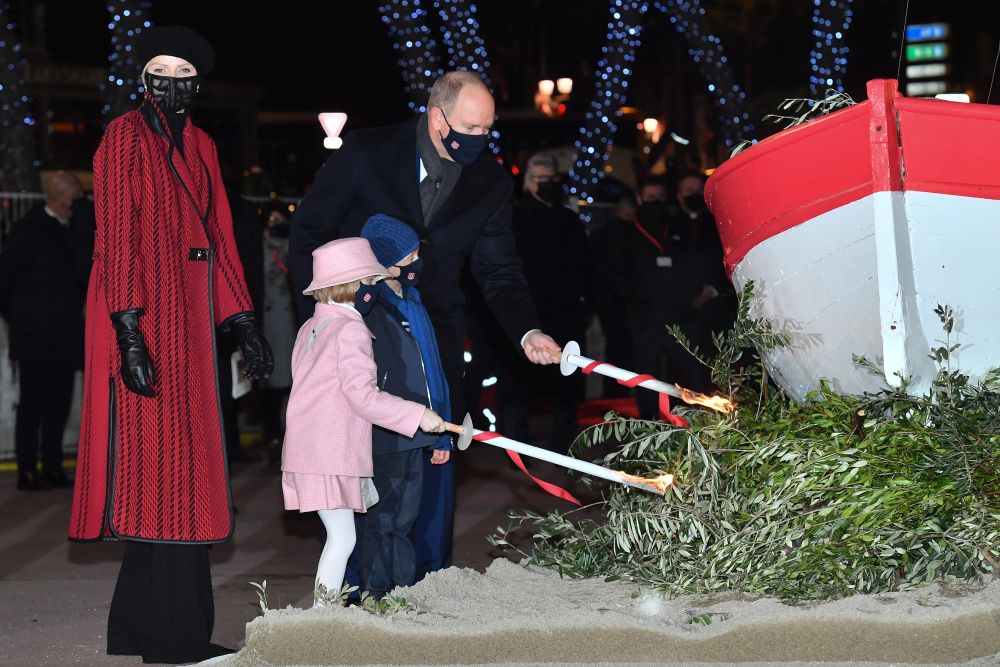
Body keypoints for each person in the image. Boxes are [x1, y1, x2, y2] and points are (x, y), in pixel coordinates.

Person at [290, 70, 560, 576]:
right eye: (471, 128)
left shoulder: (491, 182)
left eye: (488, 130)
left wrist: (528, 331)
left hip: (434, 335)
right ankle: (362, 593)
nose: (480, 139)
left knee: (436, 450)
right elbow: (308, 232)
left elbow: (498, 270)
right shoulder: (367, 153)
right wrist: (323, 319)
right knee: (372, 463)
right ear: (438, 117)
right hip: (360, 327)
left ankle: (431, 581)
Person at [67, 26, 274, 664]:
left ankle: (139, 628)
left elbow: (218, 236)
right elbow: (117, 234)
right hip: (143, 315)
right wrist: (129, 329)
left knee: (185, 466)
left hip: (191, 323)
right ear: (143, 78)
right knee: (159, 470)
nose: (168, 80)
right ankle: (175, 636)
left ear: (196, 83)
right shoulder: (124, 137)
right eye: (158, 68)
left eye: (180, 70)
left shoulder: (204, 145)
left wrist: (242, 320)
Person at [281, 237, 445, 605]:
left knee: (340, 535)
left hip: (307, 448)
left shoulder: (310, 327)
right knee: (343, 538)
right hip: (331, 450)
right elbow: (363, 396)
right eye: (368, 283)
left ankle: (325, 612)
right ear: (352, 286)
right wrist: (419, 415)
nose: (372, 290)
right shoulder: (350, 329)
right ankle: (323, 615)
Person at [345, 214, 454, 599]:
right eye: (407, 255)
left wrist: (443, 433)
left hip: (420, 430)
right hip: (385, 432)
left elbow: (433, 368)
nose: (415, 262)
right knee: (381, 520)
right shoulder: (370, 306)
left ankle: (404, 594)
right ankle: (376, 596)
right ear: (385, 260)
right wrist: (368, 291)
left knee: (405, 521)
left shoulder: (415, 303)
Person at [0, 171, 92, 490]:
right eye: (77, 196)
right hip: (35, 335)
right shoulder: (29, 230)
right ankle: (28, 470)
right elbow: (6, 280)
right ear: (61, 197)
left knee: (59, 403)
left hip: (64, 333)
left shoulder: (72, 230)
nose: (81, 202)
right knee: (33, 404)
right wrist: (20, 318)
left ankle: (52, 466)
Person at [500, 154, 591, 452]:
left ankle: (565, 445)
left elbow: (584, 267)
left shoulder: (569, 220)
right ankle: (517, 448)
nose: (546, 185)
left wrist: (583, 305)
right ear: (527, 181)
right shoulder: (514, 219)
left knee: (568, 381)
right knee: (519, 383)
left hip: (566, 313)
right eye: (540, 179)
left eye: (551, 179)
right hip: (529, 313)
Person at [262, 205, 297, 461]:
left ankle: (290, 432)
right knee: (273, 380)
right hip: (270, 321)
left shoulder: (294, 246)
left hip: (291, 321)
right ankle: (273, 432)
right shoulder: (262, 247)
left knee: (294, 379)